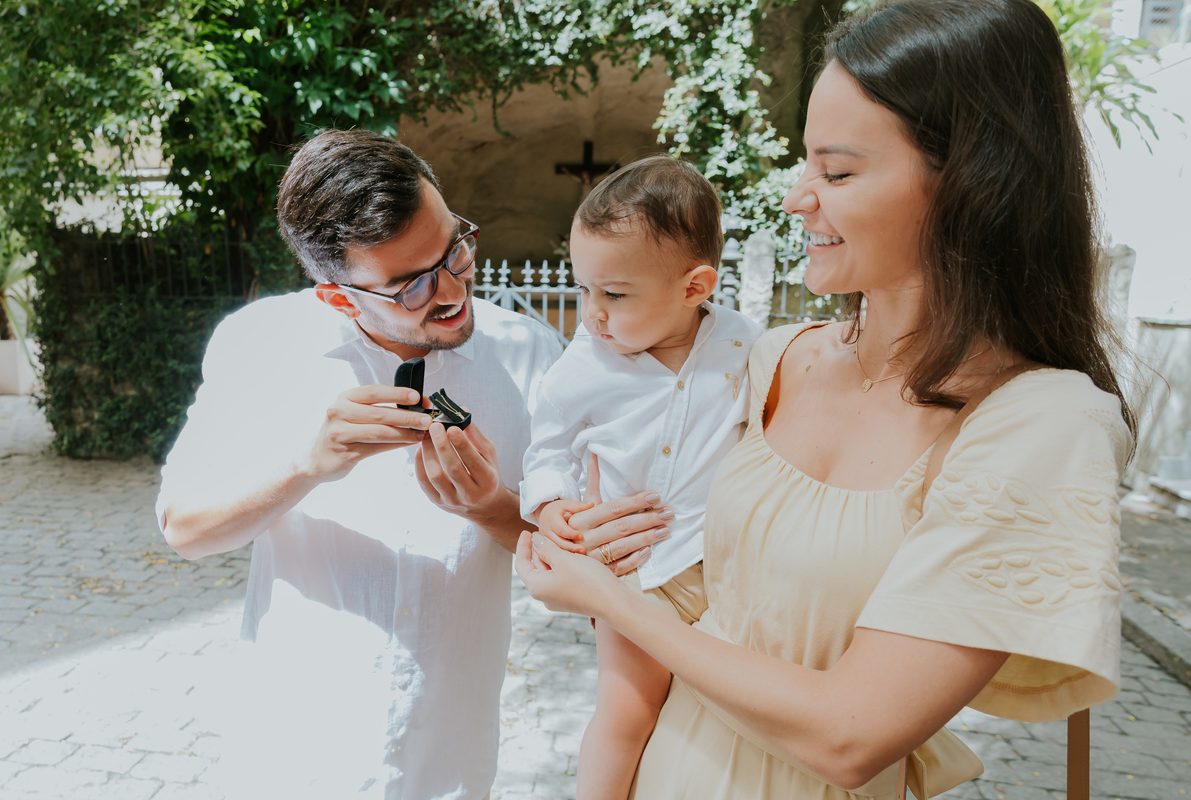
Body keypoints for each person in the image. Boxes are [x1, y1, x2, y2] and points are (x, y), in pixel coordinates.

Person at [516, 1, 1135, 798]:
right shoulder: (776, 360)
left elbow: (851, 736)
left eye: (837, 172)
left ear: (973, 183)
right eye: (806, 165)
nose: (797, 197)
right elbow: (694, 568)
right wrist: (547, 524)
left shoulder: (1041, 422)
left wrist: (609, 602)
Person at [155, 129, 668, 799]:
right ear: (339, 298)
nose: (453, 287)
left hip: (446, 762)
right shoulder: (260, 345)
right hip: (293, 759)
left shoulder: (533, 359)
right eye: (412, 285)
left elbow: (580, 568)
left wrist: (491, 509)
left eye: (455, 247)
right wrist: (309, 465)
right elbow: (185, 531)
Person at [519, 156, 762, 799]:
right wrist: (550, 511)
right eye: (583, 290)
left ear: (694, 287)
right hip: (638, 577)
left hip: (730, 571)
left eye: (614, 294)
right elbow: (544, 454)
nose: (592, 314)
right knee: (629, 711)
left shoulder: (745, 346)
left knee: (712, 717)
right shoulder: (584, 366)